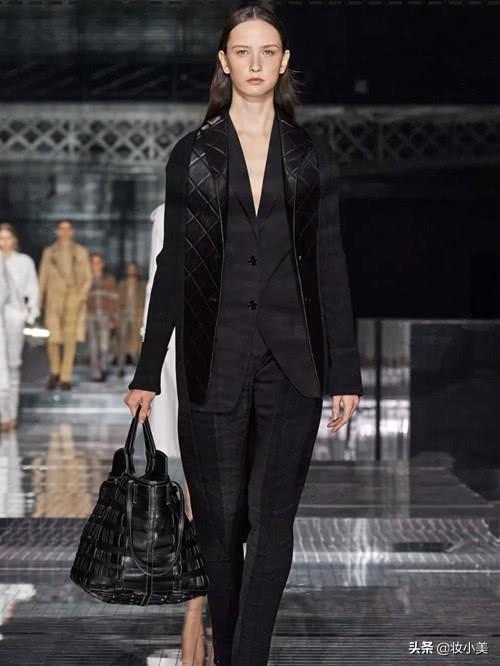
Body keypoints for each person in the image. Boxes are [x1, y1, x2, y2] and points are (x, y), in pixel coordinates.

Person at [124, 6, 363, 665]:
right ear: (224, 64)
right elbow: (174, 266)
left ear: (283, 63)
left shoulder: (310, 156)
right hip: (212, 359)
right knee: (221, 523)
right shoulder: (194, 155)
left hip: (294, 362)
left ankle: (247, 656)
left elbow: (330, 263)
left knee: (272, 516)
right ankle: (230, 649)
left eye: (267, 51)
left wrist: (344, 371)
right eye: (242, 51)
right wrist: (147, 371)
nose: (255, 63)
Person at [38, 219, 92, 391]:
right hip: (53, 299)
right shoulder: (49, 252)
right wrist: (39, 301)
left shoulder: (80, 251)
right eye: (62, 228)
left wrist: (80, 296)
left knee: (70, 339)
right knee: (53, 338)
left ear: (72, 231)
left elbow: (88, 277)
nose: (65, 232)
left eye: (68, 228)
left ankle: (65, 376)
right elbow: (43, 277)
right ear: (57, 231)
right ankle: (55, 371)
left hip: (72, 298)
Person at [0, 223, 39, 432]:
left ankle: (11, 416)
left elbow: (33, 288)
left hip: (14, 316)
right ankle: (3, 415)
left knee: (13, 366)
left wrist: (29, 313)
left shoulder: (24, 261)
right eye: (1, 237)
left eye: (7, 237)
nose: (4, 242)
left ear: (14, 239)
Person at [86, 253, 119, 382]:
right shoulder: (86, 280)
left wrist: (113, 318)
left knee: (105, 345)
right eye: (93, 262)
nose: (95, 265)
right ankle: (96, 373)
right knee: (93, 346)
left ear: (102, 264)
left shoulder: (109, 280)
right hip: (90, 315)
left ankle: (104, 367)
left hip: (105, 316)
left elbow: (114, 300)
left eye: (98, 262)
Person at [116, 260, 146, 377]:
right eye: (130, 268)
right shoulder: (122, 284)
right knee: (122, 343)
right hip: (124, 316)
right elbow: (117, 300)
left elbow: (144, 301)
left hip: (137, 316)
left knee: (138, 343)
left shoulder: (142, 285)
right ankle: (121, 367)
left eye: (133, 269)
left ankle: (139, 368)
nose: (131, 271)